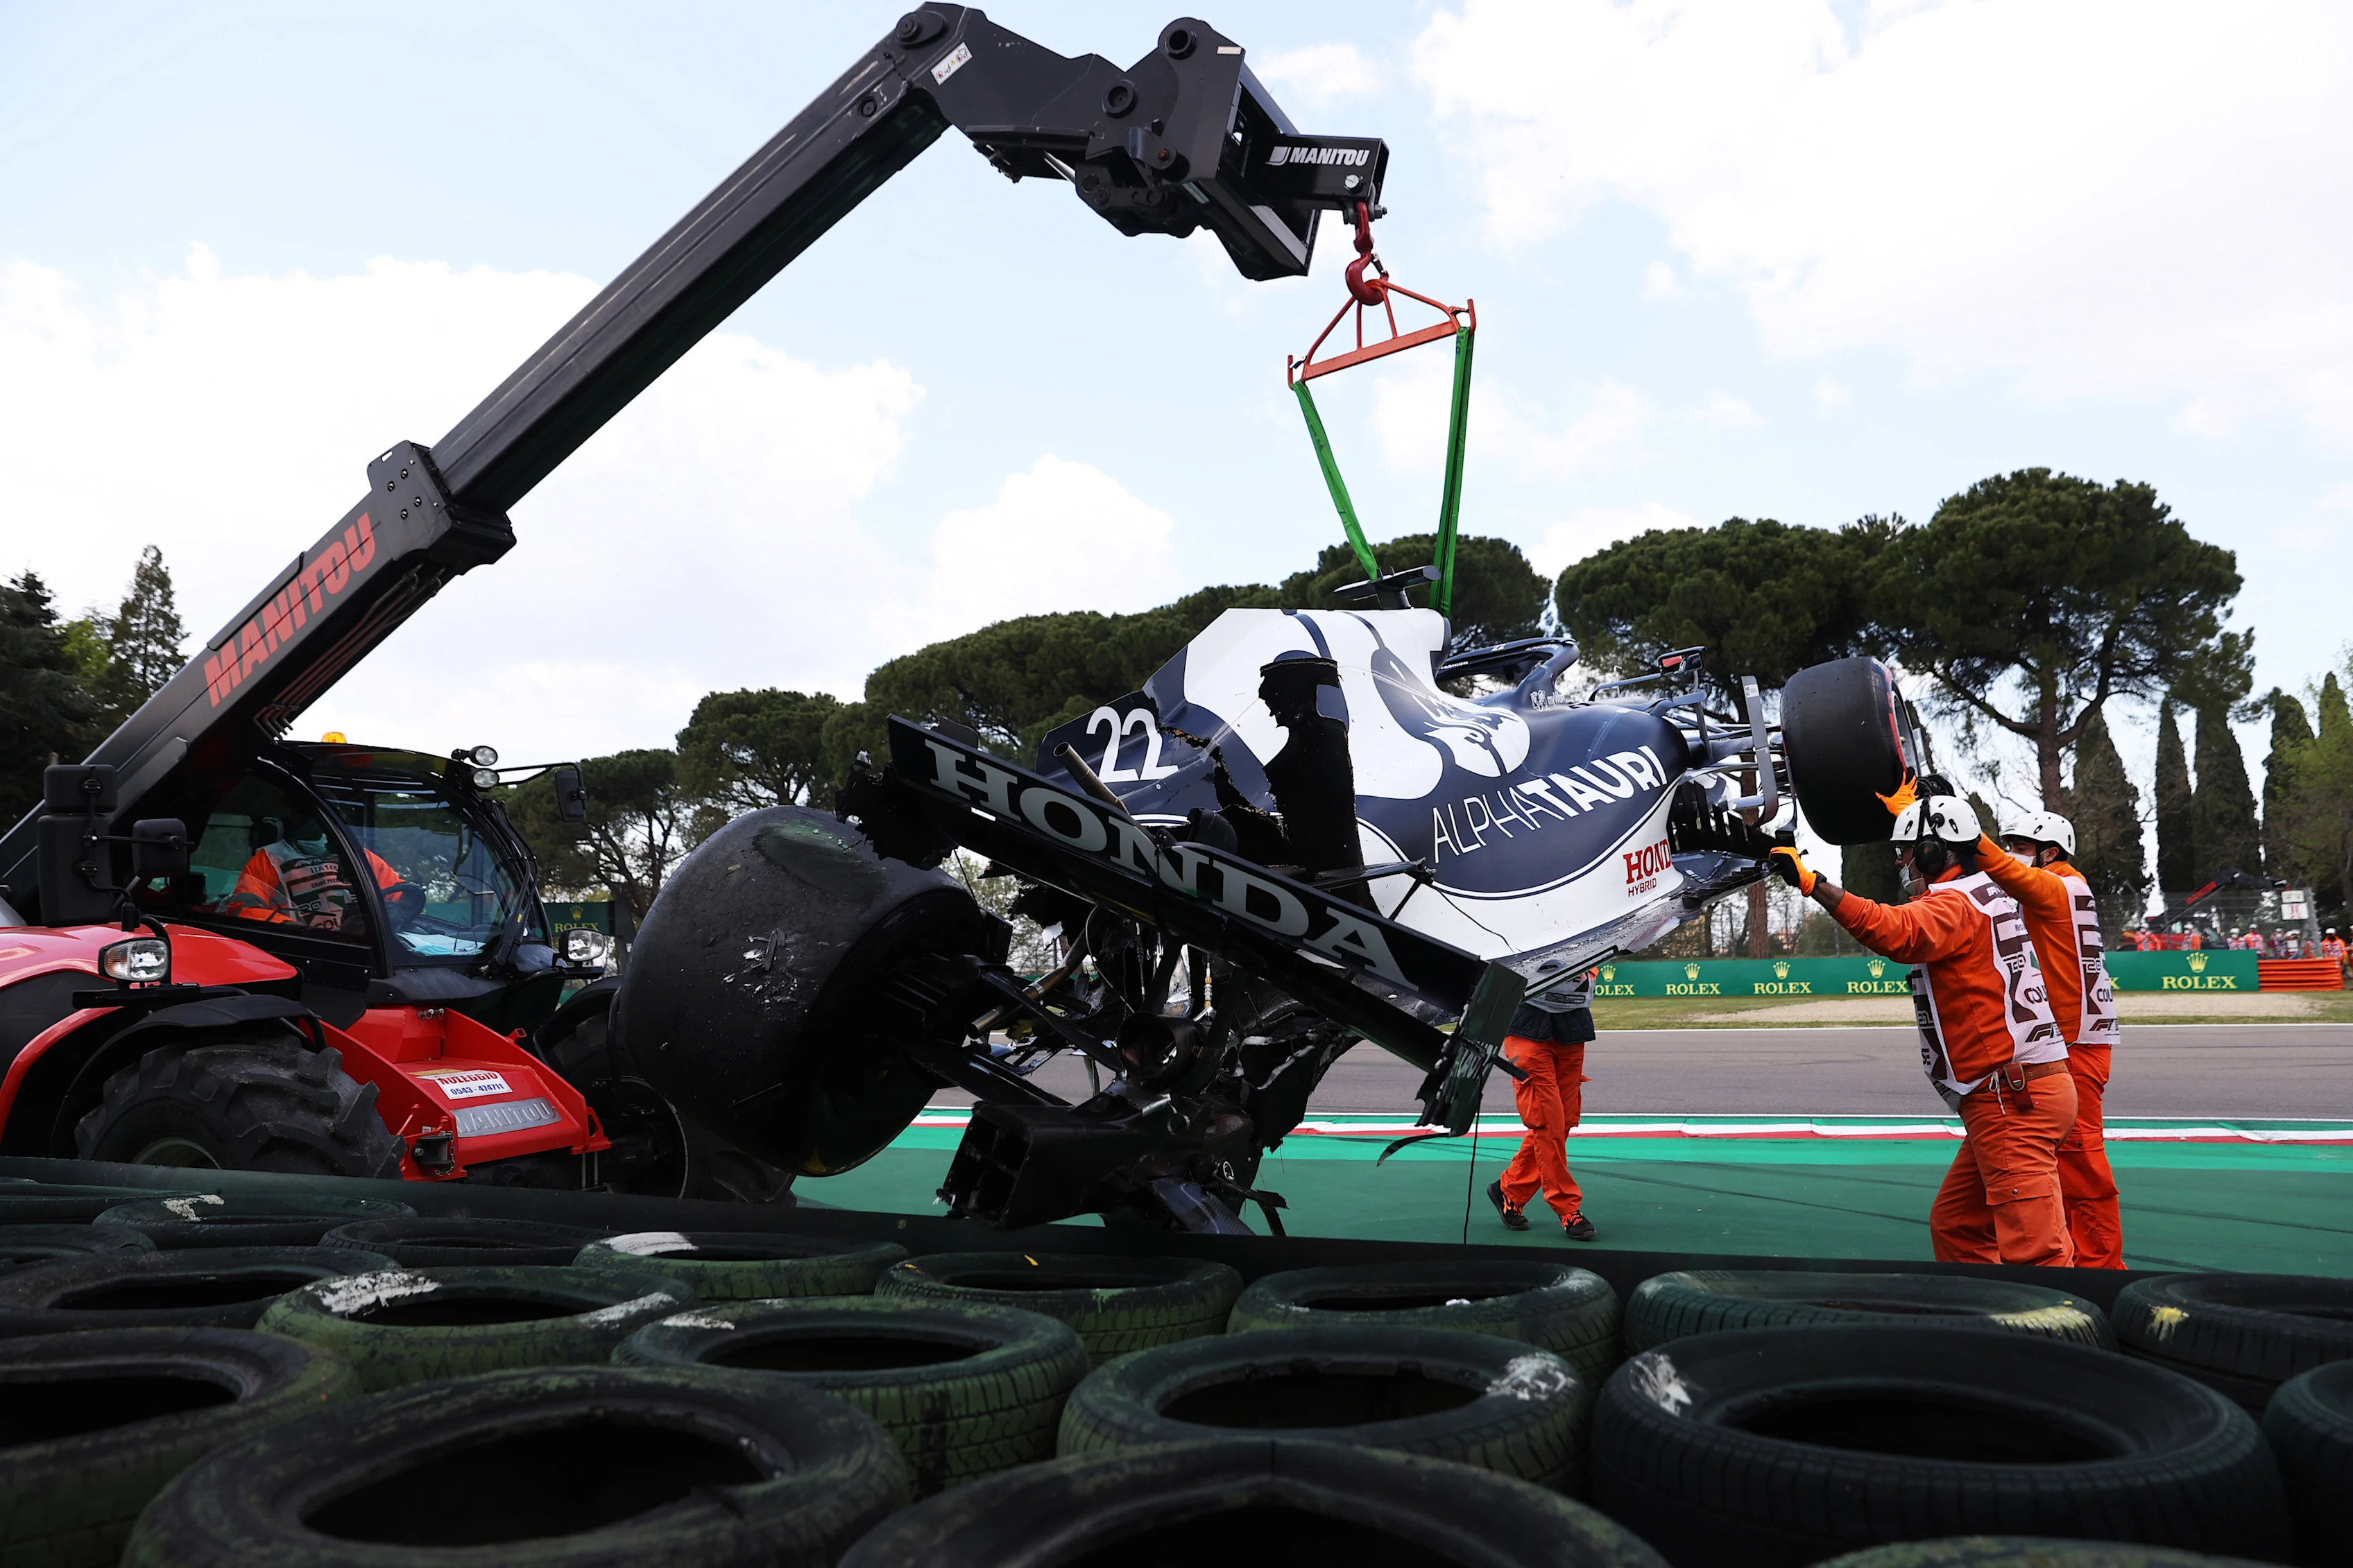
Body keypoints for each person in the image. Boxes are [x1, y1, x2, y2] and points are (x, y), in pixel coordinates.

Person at [1771, 793, 2076, 1266]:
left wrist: (1813, 883)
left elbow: (1892, 930)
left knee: (2039, 1256)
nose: (1900, 859)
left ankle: (2057, 1334)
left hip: (2010, 1098)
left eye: (1908, 849)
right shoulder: (1989, 891)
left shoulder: (1954, 905)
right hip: (2024, 1088)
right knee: (1957, 1224)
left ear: (1936, 851)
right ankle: (1985, 1321)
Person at [1971, 811, 2125, 1269]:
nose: (2014, 853)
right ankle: (2078, 1257)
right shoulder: (2067, 887)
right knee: (2062, 1161)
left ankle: (2103, 1270)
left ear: (2050, 852)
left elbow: (2006, 872)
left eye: (2020, 845)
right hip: (2077, 1040)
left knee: (2082, 1166)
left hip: (2077, 1045)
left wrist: (1963, 832)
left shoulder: (2059, 885)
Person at [1487, 965, 1599, 1241]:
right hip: (1526, 1027)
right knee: (1547, 1121)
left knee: (1564, 1120)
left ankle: (1509, 1189)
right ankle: (1567, 1207)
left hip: (1573, 1027)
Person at [223, 816, 408, 933]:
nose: (323, 834)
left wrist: (394, 914)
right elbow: (243, 910)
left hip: (359, 948)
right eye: (316, 825)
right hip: (302, 948)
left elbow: (402, 896)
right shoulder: (270, 859)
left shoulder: (362, 858)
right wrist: (297, 929)